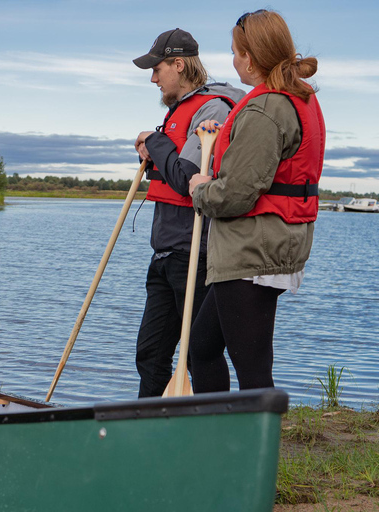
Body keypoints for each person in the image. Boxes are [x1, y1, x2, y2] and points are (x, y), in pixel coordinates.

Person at [188, 10, 325, 393]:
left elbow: (236, 193)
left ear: (249, 58)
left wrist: (200, 188)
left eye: (235, 52)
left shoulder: (266, 108)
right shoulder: (298, 98)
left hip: (253, 252)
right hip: (268, 246)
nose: (233, 60)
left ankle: (253, 450)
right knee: (203, 346)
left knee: (252, 368)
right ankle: (218, 443)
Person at [132, 28, 245, 397]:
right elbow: (171, 167)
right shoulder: (175, 113)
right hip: (165, 250)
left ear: (178, 64)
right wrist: (154, 149)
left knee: (200, 355)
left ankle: (213, 434)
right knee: (149, 354)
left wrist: (155, 141)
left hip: (195, 252)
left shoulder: (212, 108)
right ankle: (145, 436)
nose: (153, 78)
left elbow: (186, 179)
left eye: (157, 68)